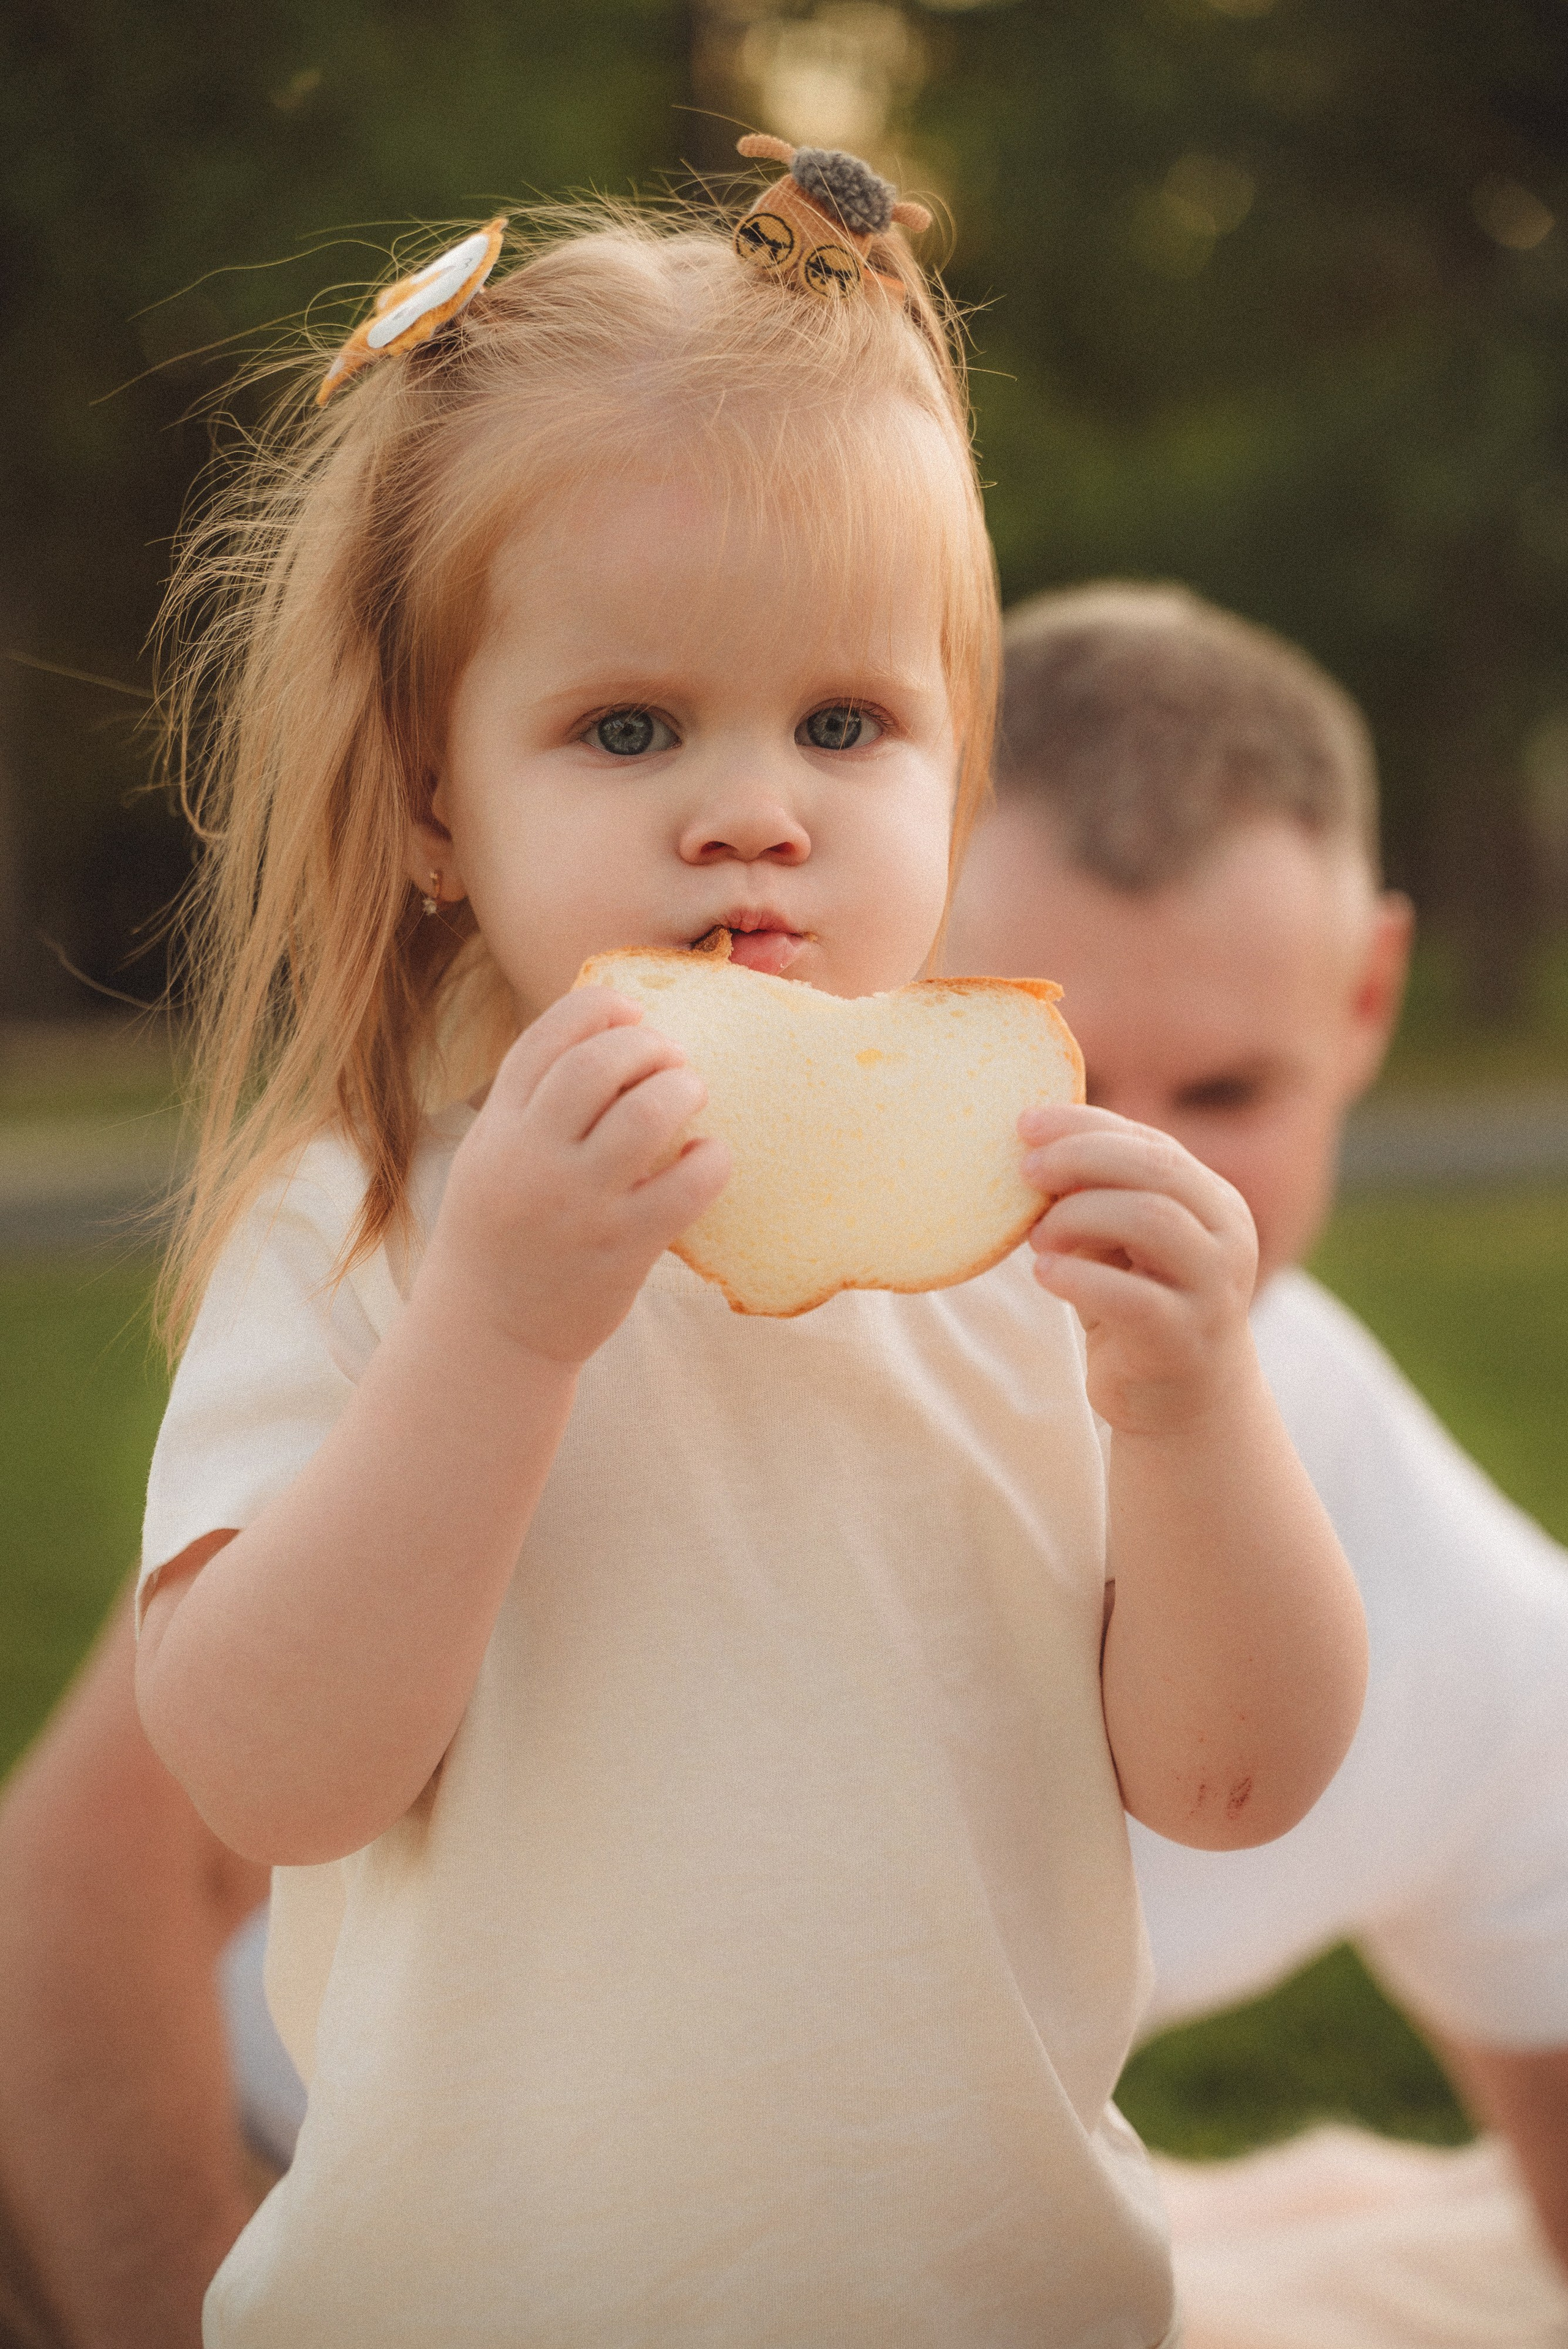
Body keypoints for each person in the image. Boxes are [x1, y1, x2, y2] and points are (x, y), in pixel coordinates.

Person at [124, 166, 1364, 2343]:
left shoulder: (1022, 1234)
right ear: (434, 802)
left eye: (846, 723)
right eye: (628, 728)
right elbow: (267, 1774)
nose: (755, 811)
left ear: (958, 766)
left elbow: (1235, 1780)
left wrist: (1194, 1410)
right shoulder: (373, 1232)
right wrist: (503, 1329)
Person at [944, 580, 1568, 2298]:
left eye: (1226, 1094)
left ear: (1366, 996)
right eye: (1052, 1072)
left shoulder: (1455, 1617)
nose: (1134, 1188)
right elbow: (131, 1881)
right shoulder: (636, 1343)